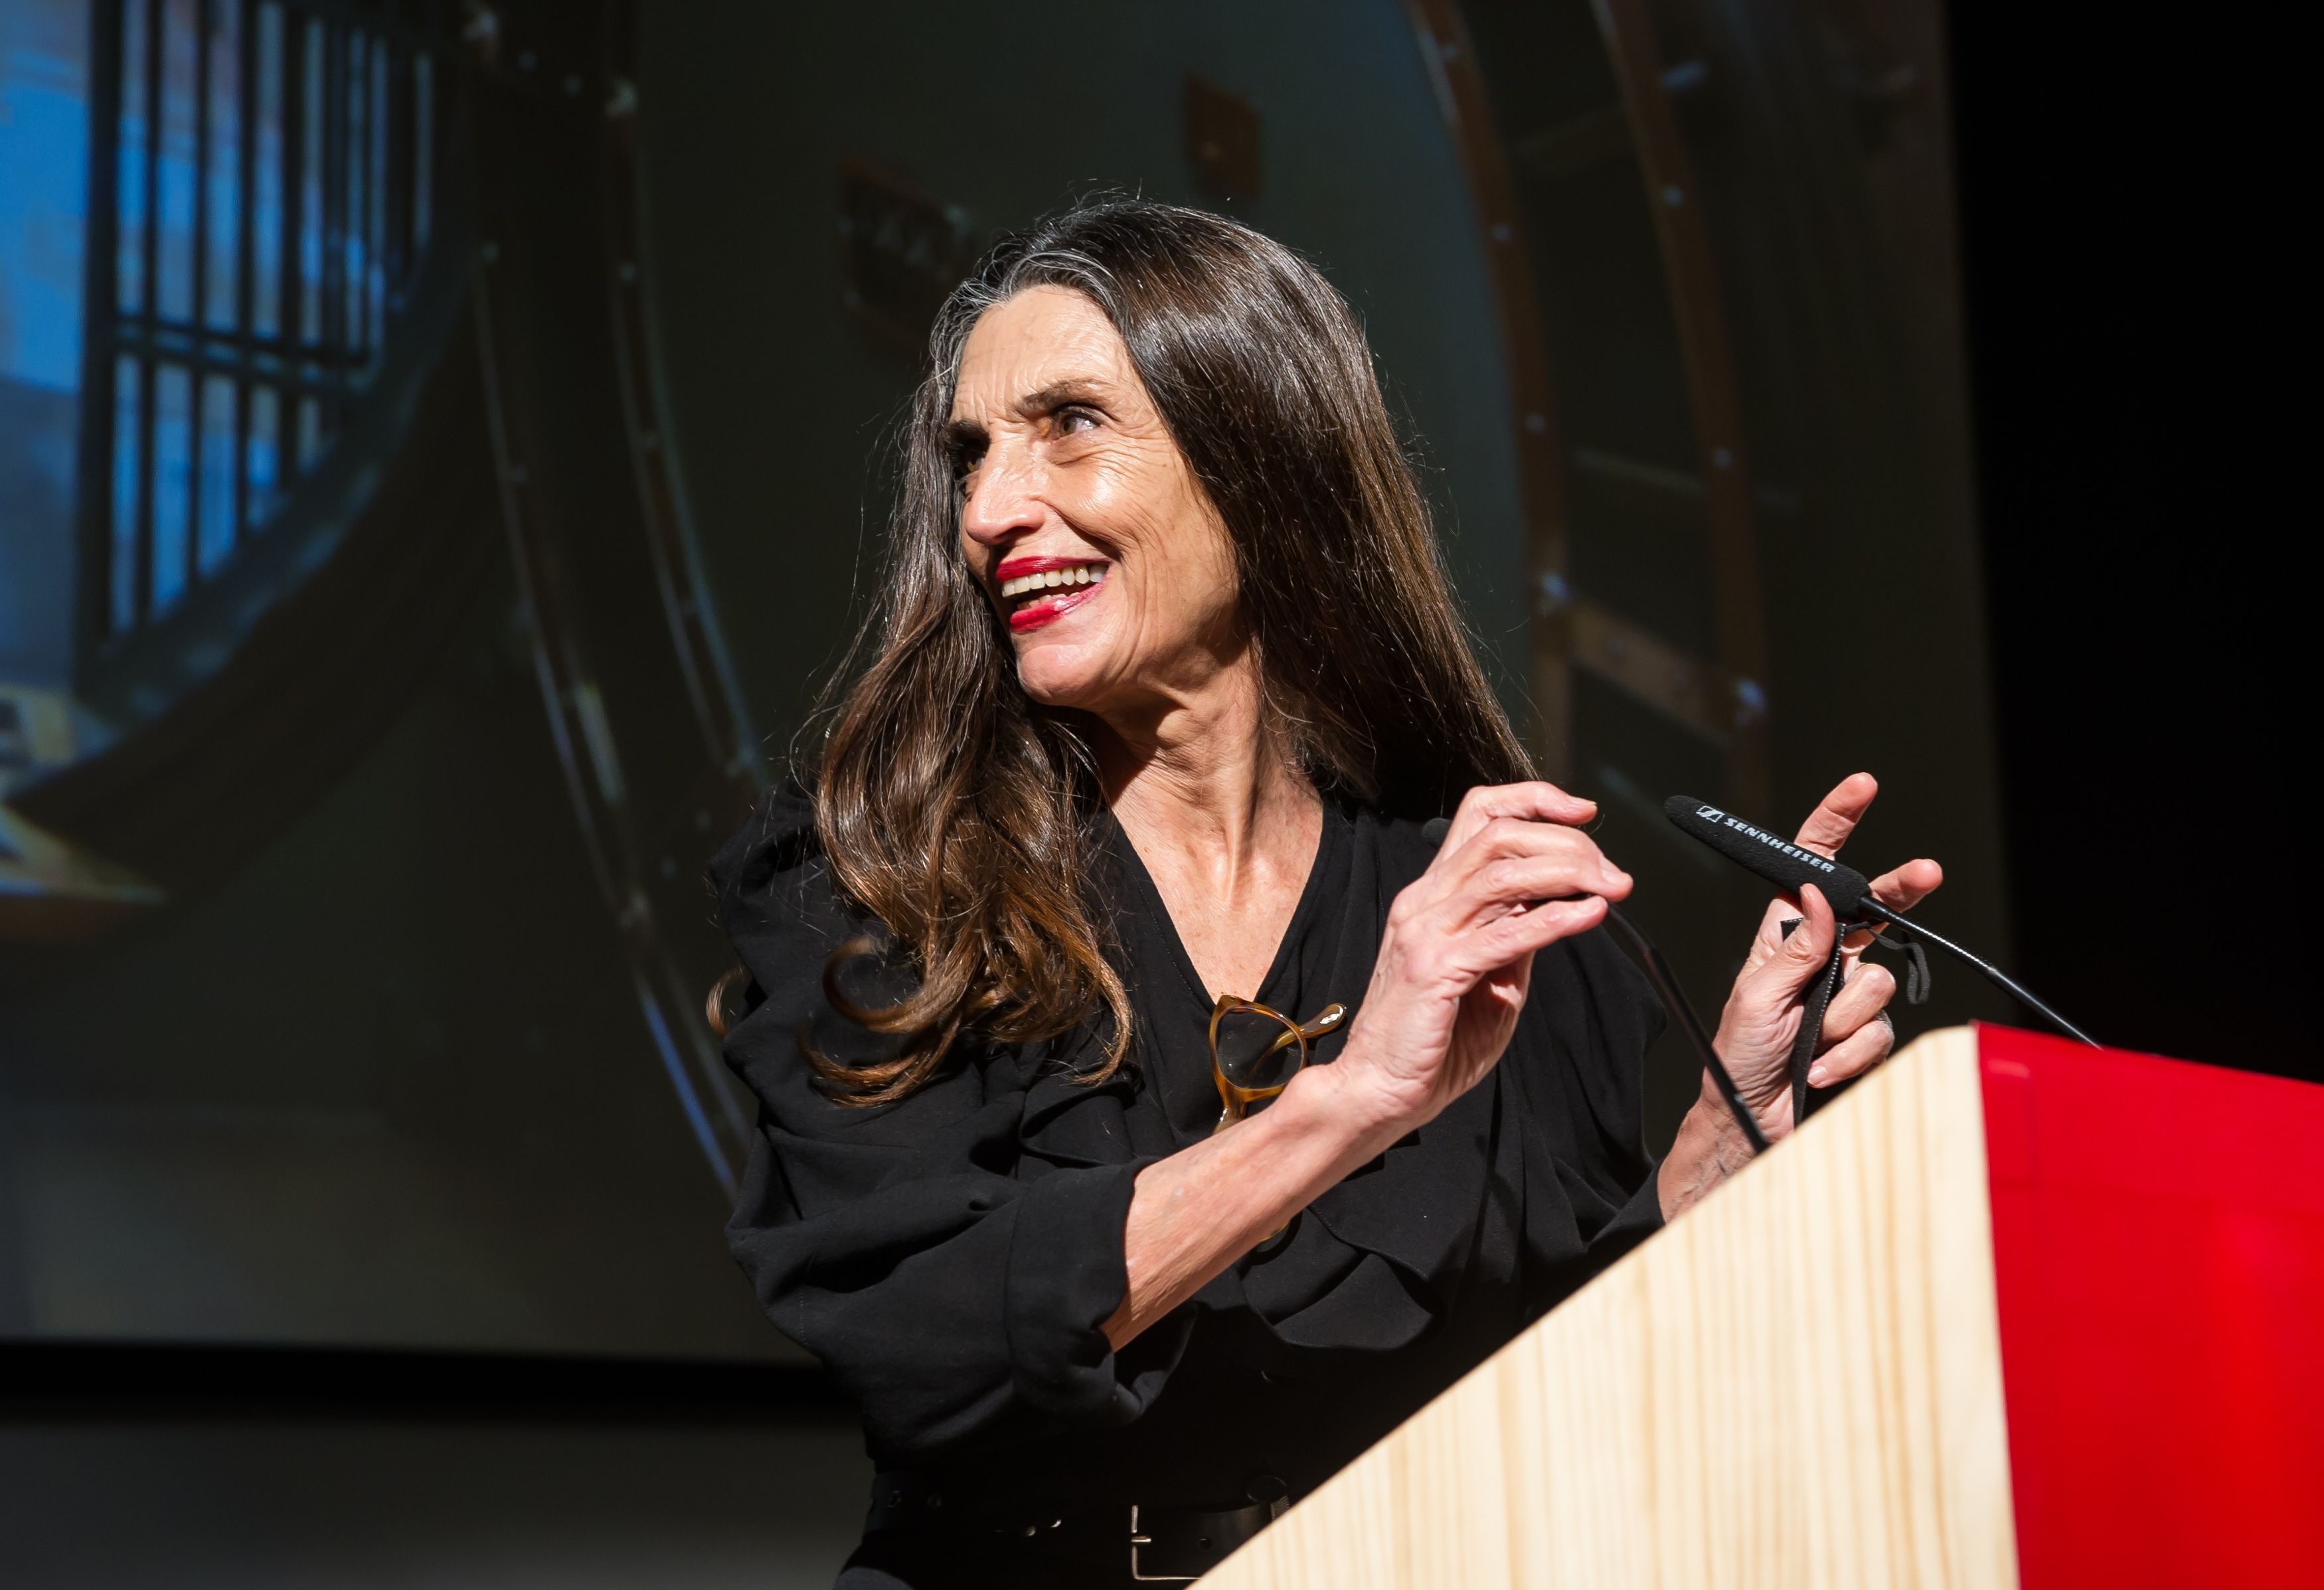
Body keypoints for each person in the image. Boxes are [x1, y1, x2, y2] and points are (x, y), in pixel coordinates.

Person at [708, 201, 1939, 1589]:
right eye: (971, 452)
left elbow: (1539, 1398)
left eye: (1068, 424)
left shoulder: (1488, 916)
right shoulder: (878, 885)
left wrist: (1712, 1157)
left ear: (1259, 461)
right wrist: (1346, 1101)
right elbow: (924, 1338)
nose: (988, 509)